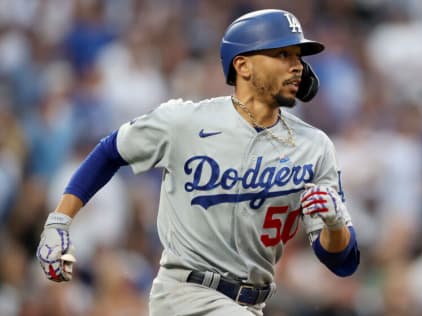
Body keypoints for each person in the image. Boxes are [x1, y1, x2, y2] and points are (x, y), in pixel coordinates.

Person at [36, 9, 360, 316]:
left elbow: (342, 262)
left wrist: (333, 225)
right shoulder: (185, 122)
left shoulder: (313, 147)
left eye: (298, 56)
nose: (297, 65)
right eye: (282, 54)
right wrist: (59, 220)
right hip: (186, 294)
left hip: (251, 303)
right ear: (243, 66)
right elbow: (111, 150)